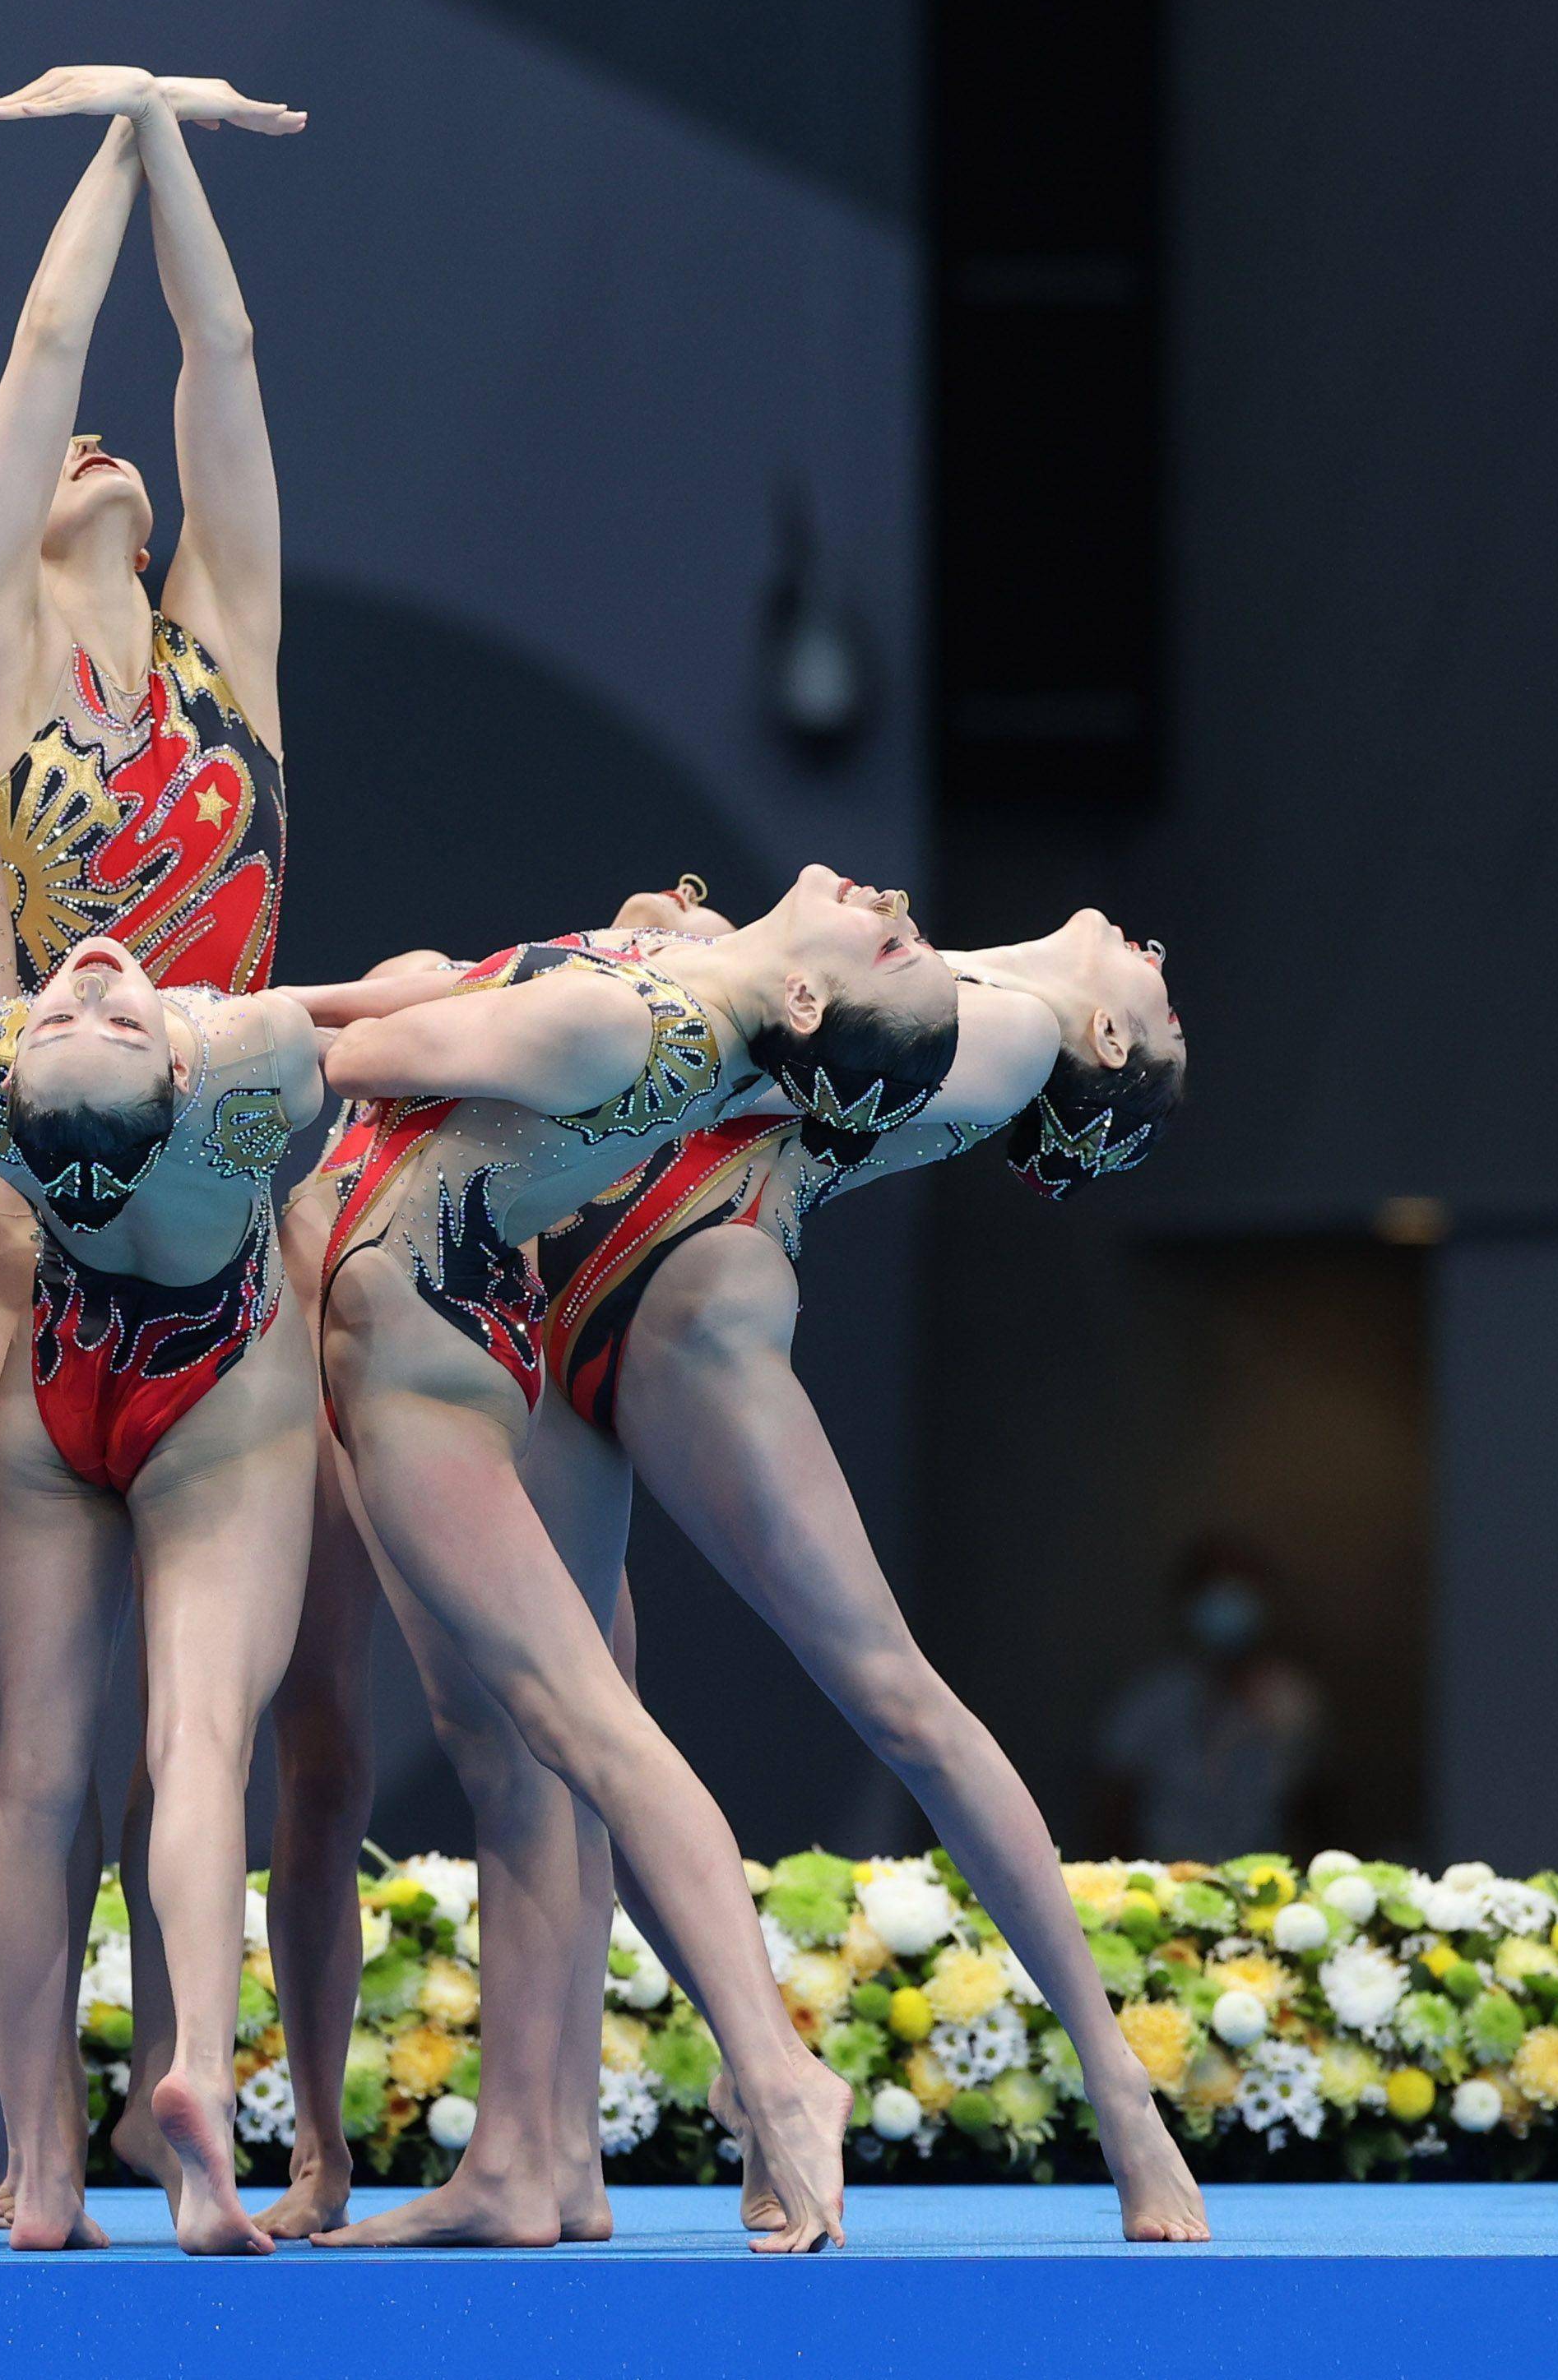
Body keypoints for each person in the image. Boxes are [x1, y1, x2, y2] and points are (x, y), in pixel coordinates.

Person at [366, 879, 1210, 2246]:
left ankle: (1117, 2092)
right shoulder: (959, 976)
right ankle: (549, 2157)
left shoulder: (1010, 1037)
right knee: (564, 1746)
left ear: (1106, 1044)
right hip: (561, 1272)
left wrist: (652, 965)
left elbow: (747, 1055)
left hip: (684, 1279)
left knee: (890, 1693)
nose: (1154, 947)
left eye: (1159, 995)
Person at [302, 865, 971, 2252]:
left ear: (803, 993)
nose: (886, 894)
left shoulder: (627, 1025)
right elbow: (405, 1020)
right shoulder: (665, 1003)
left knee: (585, 1729)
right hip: (425, 1329)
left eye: (888, 937)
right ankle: (522, 2170)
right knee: (517, 1745)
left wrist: (163, 1040)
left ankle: (776, 2080)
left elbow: (351, 1058)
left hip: (423, 1363)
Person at [0, 61, 306, 2240]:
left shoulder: (233, 646)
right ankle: (37, 2153)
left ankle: (170, 2099)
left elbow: (217, 358)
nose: (95, 447)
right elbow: (43, 358)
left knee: (184, 1740)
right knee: (44, 1745)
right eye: (68, 463)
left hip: (219, 1240)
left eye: (111, 462)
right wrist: (112, 129)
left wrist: (168, 134)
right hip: (51, 1258)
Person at [1094, 1532, 1320, 1866]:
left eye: (1238, 1585)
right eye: (1215, 1584)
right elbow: (1111, 1805)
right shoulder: (1150, 1700)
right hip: (1163, 1888)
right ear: (1189, 1598)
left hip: (1264, 1892)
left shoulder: (1293, 1701)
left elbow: (1314, 1810)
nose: (1227, 1600)